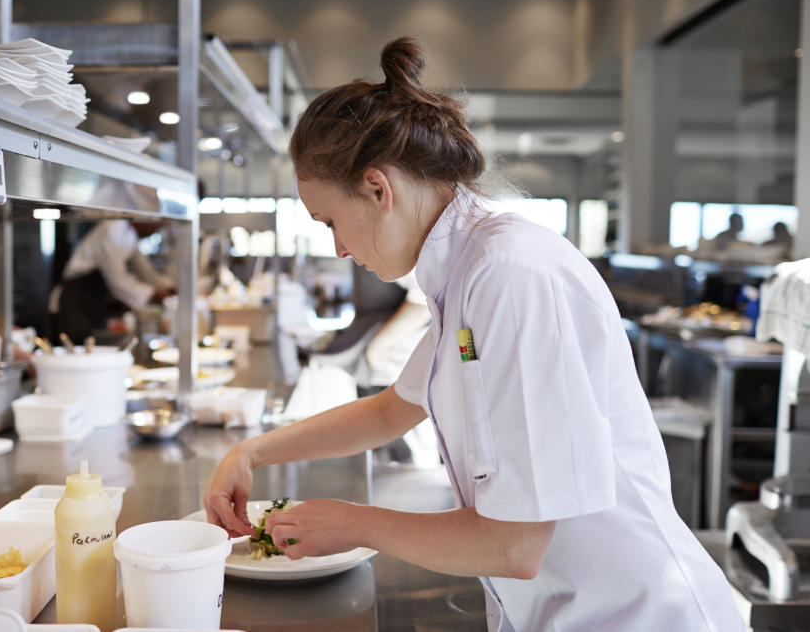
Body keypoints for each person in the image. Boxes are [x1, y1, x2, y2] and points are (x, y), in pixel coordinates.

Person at [203, 37, 744, 631]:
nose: (337, 246)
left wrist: (352, 523)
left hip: (634, 615)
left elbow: (515, 546)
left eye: (330, 220)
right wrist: (253, 451)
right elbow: (389, 412)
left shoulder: (510, 273)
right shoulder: (464, 273)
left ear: (379, 188)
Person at [49, 219, 174, 341]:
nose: (152, 232)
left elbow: (145, 272)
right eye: (154, 227)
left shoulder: (130, 234)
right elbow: (117, 281)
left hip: (94, 299)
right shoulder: (114, 228)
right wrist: (155, 293)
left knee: (92, 342)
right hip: (76, 297)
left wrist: (170, 287)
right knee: (78, 343)